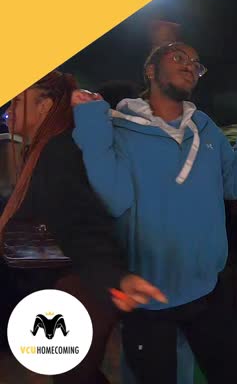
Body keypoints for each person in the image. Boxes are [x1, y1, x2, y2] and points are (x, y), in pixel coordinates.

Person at [72, 41, 237, 383]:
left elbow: (232, 184)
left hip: (208, 288)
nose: (191, 65)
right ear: (150, 70)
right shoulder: (120, 129)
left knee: (234, 376)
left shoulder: (204, 127)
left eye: (196, 63)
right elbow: (113, 199)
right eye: (179, 57)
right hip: (148, 296)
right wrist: (90, 121)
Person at [0, 71, 165, 383]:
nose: (9, 109)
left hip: (78, 286)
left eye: (18, 101)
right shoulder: (43, 150)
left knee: (75, 377)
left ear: (44, 106)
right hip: (68, 285)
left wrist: (115, 276)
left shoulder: (59, 150)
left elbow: (80, 222)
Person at [97, 79, 195, 384]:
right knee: (168, 340)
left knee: (147, 342)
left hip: (144, 265)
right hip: (165, 263)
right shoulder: (160, 142)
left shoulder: (117, 148)